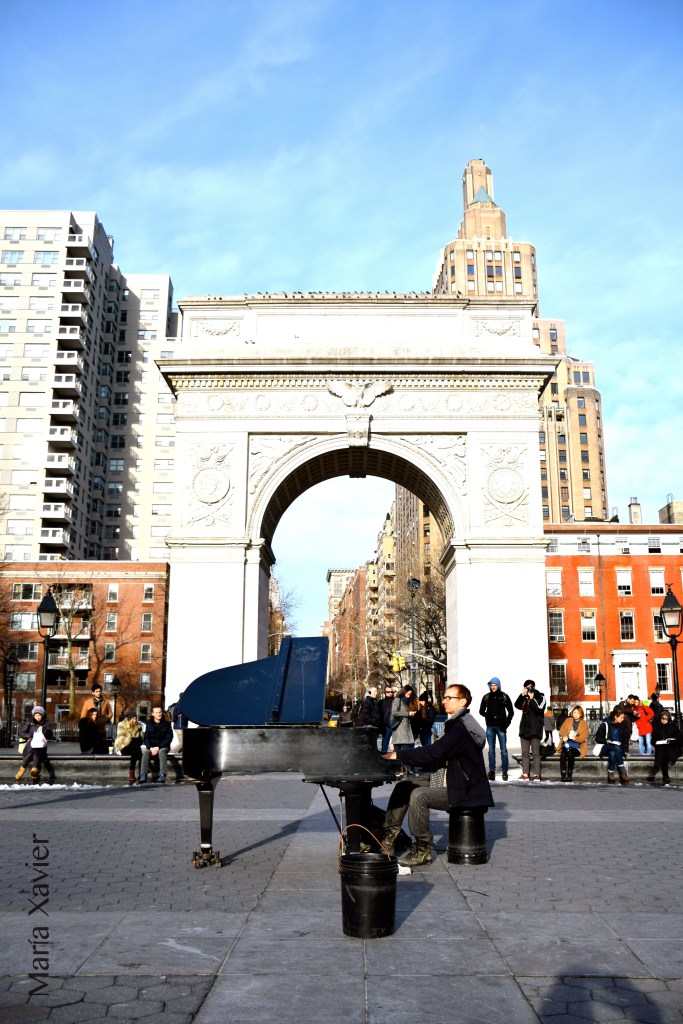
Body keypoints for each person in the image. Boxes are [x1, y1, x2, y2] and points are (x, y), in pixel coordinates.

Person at [381, 684, 493, 866]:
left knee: (419, 795)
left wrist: (399, 755)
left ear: (462, 702)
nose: (444, 701)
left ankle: (422, 848)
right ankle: (388, 838)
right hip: (451, 780)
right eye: (445, 697)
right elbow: (437, 754)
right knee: (404, 786)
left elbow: (435, 752)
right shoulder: (457, 723)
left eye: (450, 698)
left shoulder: (461, 728)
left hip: (464, 789)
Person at [478, 676, 514, 781]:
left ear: (498, 686)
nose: (493, 687)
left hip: (501, 727)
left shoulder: (504, 696)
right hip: (490, 727)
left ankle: (504, 771)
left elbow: (511, 712)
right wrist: (487, 715)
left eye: (495, 685)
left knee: (503, 750)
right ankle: (492, 771)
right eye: (491, 685)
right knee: (491, 750)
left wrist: (506, 724)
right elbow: (481, 711)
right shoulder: (486, 697)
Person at [514, 680, 546, 780]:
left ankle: (537, 775)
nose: (529, 689)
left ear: (534, 687)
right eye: (527, 687)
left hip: (535, 730)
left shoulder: (540, 697)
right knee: (525, 753)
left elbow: (539, 710)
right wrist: (522, 695)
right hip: (524, 730)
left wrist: (532, 699)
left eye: (531, 686)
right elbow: (517, 705)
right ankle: (525, 774)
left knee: (536, 753)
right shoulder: (525, 697)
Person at [15, 706, 57, 784]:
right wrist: (30, 736)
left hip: (41, 746)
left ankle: (22, 769)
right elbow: (22, 733)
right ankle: (34, 770)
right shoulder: (30, 722)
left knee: (35, 750)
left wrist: (43, 731)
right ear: (33, 716)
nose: (37, 717)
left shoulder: (46, 723)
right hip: (30, 745)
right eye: (36, 715)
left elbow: (50, 734)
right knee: (33, 750)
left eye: (39, 715)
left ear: (42, 715)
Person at [595, 708, 631, 785]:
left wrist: (625, 751)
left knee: (613, 753)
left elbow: (626, 739)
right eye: (621, 717)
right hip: (605, 747)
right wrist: (607, 740)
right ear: (615, 717)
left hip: (618, 749)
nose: (622, 719)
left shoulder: (624, 725)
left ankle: (610, 773)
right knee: (615, 748)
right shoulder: (605, 724)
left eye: (623, 717)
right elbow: (597, 738)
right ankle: (623, 770)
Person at [139, 705, 173, 783]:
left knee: (162, 752)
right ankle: (143, 774)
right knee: (146, 752)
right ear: (153, 714)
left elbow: (169, 738)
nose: (159, 714)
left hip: (163, 746)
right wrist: (150, 747)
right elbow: (146, 738)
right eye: (157, 712)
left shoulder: (167, 724)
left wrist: (158, 747)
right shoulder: (149, 724)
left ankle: (162, 775)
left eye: (160, 712)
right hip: (152, 747)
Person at [647, 710, 681, 786]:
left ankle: (655, 770)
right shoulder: (657, 727)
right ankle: (665, 776)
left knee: (664, 754)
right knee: (663, 754)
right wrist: (658, 742)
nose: (664, 721)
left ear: (668, 719)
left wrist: (672, 740)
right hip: (660, 747)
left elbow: (679, 738)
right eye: (663, 719)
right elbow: (653, 740)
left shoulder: (673, 726)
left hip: (672, 747)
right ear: (660, 719)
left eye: (666, 719)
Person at [556, 705, 589, 782]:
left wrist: (575, 738)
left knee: (570, 753)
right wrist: (564, 736)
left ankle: (569, 774)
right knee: (563, 754)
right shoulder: (568, 720)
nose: (576, 714)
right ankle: (563, 775)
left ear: (581, 714)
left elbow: (584, 737)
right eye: (574, 712)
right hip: (566, 744)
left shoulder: (584, 724)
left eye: (578, 713)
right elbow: (562, 730)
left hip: (577, 746)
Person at [115, 710, 144, 785]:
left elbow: (141, 738)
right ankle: (135, 772)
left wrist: (136, 740)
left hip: (134, 747)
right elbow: (121, 738)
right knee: (135, 749)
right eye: (133, 718)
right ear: (129, 718)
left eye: (136, 718)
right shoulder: (121, 724)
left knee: (136, 750)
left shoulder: (138, 725)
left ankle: (136, 773)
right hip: (123, 746)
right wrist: (131, 738)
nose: (135, 720)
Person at [390, 684, 418, 752]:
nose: (409, 696)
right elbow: (394, 712)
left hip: (406, 730)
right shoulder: (397, 700)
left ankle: (401, 762)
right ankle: (396, 762)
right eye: (408, 694)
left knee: (404, 751)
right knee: (397, 751)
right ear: (404, 692)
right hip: (399, 730)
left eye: (410, 694)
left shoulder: (407, 702)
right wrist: (408, 714)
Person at [378, 684, 395, 753]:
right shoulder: (381, 702)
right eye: (388, 692)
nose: (390, 693)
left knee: (397, 746)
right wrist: (381, 725)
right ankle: (383, 758)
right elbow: (378, 714)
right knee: (384, 746)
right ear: (385, 692)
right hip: (386, 726)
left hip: (395, 726)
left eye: (391, 692)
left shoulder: (396, 701)